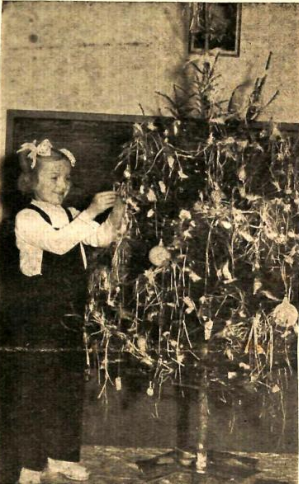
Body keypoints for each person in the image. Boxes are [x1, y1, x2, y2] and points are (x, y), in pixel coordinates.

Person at [1, 139, 125, 484]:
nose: (63, 186)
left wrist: (114, 216)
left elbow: (99, 238)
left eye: (67, 179)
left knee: (65, 387)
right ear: (30, 181)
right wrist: (89, 212)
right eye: (54, 178)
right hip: (33, 318)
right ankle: (26, 464)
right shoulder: (27, 217)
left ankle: (60, 457)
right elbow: (58, 243)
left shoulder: (70, 214)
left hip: (68, 314)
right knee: (32, 389)